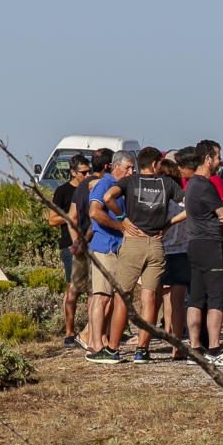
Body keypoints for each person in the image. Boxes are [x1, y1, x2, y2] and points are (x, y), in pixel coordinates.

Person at [102, 146, 186, 364]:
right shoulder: (167, 183)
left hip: (133, 241)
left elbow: (108, 196)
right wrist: (168, 224)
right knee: (150, 297)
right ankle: (142, 349)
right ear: (156, 164)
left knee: (123, 295)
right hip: (156, 243)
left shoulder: (131, 182)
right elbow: (188, 207)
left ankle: (113, 349)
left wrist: (123, 218)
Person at [185, 140, 223, 367]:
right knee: (217, 297)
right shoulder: (205, 185)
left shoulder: (191, 185)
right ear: (208, 159)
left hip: (195, 244)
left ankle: (195, 347)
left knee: (196, 297)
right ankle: (214, 348)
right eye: (217, 157)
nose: (220, 161)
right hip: (210, 244)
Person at [84, 150, 136, 363]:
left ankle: (102, 340)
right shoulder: (104, 185)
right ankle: (94, 344)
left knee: (113, 298)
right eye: (128, 168)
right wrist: (121, 227)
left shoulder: (120, 188)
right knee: (101, 296)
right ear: (115, 167)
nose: (131, 172)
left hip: (117, 248)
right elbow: (95, 212)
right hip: (105, 247)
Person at [68, 148, 112, 351]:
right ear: (107, 166)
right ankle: (93, 335)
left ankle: (85, 334)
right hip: (99, 243)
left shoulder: (82, 186)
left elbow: (72, 217)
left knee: (82, 292)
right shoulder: (106, 186)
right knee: (99, 294)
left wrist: (76, 242)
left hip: (83, 246)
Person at [50, 153, 90, 348]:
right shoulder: (63, 191)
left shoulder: (92, 187)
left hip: (91, 243)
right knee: (72, 290)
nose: (87, 174)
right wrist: (71, 216)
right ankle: (69, 331)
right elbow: (51, 219)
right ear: (73, 172)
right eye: (84, 172)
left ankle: (93, 330)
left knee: (95, 290)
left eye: (89, 170)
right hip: (69, 245)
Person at [158, 153, 193, 360]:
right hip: (181, 253)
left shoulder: (161, 205)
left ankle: (166, 334)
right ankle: (177, 344)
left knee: (164, 301)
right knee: (179, 302)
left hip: (163, 252)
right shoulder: (182, 205)